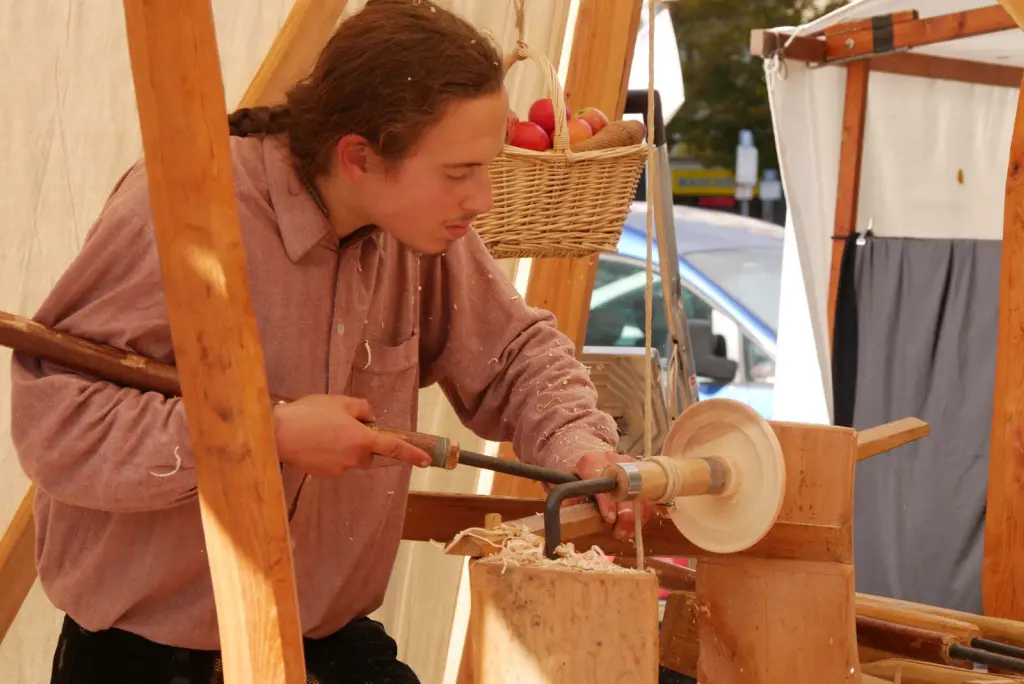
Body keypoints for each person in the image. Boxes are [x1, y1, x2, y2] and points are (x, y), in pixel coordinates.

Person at [10, 1, 654, 682]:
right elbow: (58, 422)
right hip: (149, 661)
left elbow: (517, 355)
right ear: (359, 157)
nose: (484, 199)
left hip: (325, 645)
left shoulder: (417, 231)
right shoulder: (187, 207)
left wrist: (580, 445)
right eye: (459, 172)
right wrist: (266, 436)